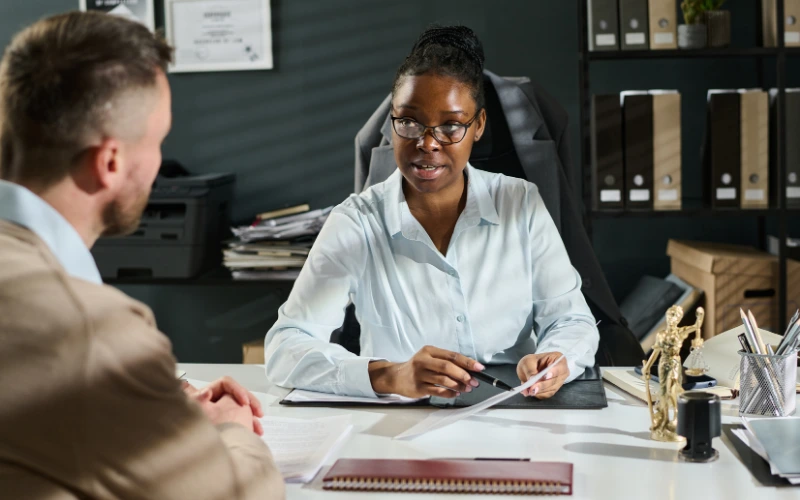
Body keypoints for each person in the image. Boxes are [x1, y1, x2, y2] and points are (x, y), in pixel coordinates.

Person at [0, 12, 284, 499]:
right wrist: (229, 430)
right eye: (157, 141)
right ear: (110, 163)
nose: (159, 162)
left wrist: (153, 400)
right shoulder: (88, 325)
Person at [265, 25, 599, 400]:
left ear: (478, 126)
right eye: (409, 122)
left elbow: (571, 319)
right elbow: (285, 347)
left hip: (512, 416)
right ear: (392, 121)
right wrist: (390, 375)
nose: (426, 143)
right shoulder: (357, 222)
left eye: (451, 126)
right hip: (399, 427)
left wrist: (556, 359)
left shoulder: (519, 201)